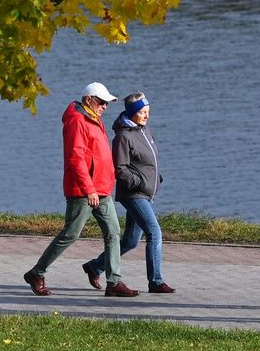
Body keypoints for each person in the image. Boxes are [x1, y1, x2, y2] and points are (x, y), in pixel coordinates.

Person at [24, 82, 140, 297]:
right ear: (89, 100)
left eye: (107, 103)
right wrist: (89, 189)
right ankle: (36, 272)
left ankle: (114, 282)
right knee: (71, 234)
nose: (105, 106)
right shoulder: (77, 121)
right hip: (83, 190)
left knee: (113, 233)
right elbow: (76, 158)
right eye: (102, 102)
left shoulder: (94, 119)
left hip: (102, 189)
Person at [84, 93, 174, 293]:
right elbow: (120, 169)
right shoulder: (123, 137)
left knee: (130, 241)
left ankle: (94, 266)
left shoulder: (144, 131)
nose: (146, 116)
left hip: (146, 193)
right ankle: (156, 282)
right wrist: (140, 182)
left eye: (148, 112)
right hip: (133, 195)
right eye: (142, 112)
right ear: (132, 112)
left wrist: (157, 178)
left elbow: (151, 160)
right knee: (154, 232)